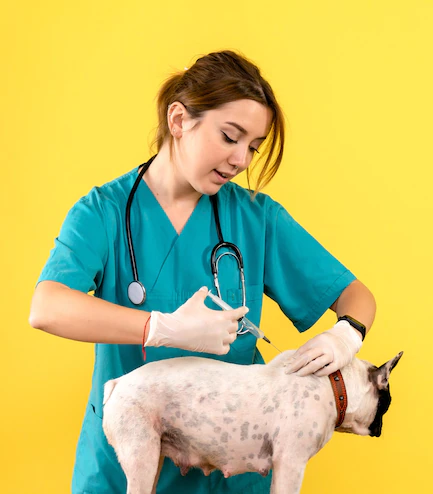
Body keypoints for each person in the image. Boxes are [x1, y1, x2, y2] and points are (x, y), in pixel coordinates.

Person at [29, 49, 376, 493]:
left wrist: (346, 334)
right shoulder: (104, 212)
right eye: (230, 136)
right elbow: (47, 306)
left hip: (230, 468)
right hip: (128, 461)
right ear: (178, 120)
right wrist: (160, 327)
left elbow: (357, 297)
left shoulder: (256, 218)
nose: (242, 160)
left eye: (253, 146)